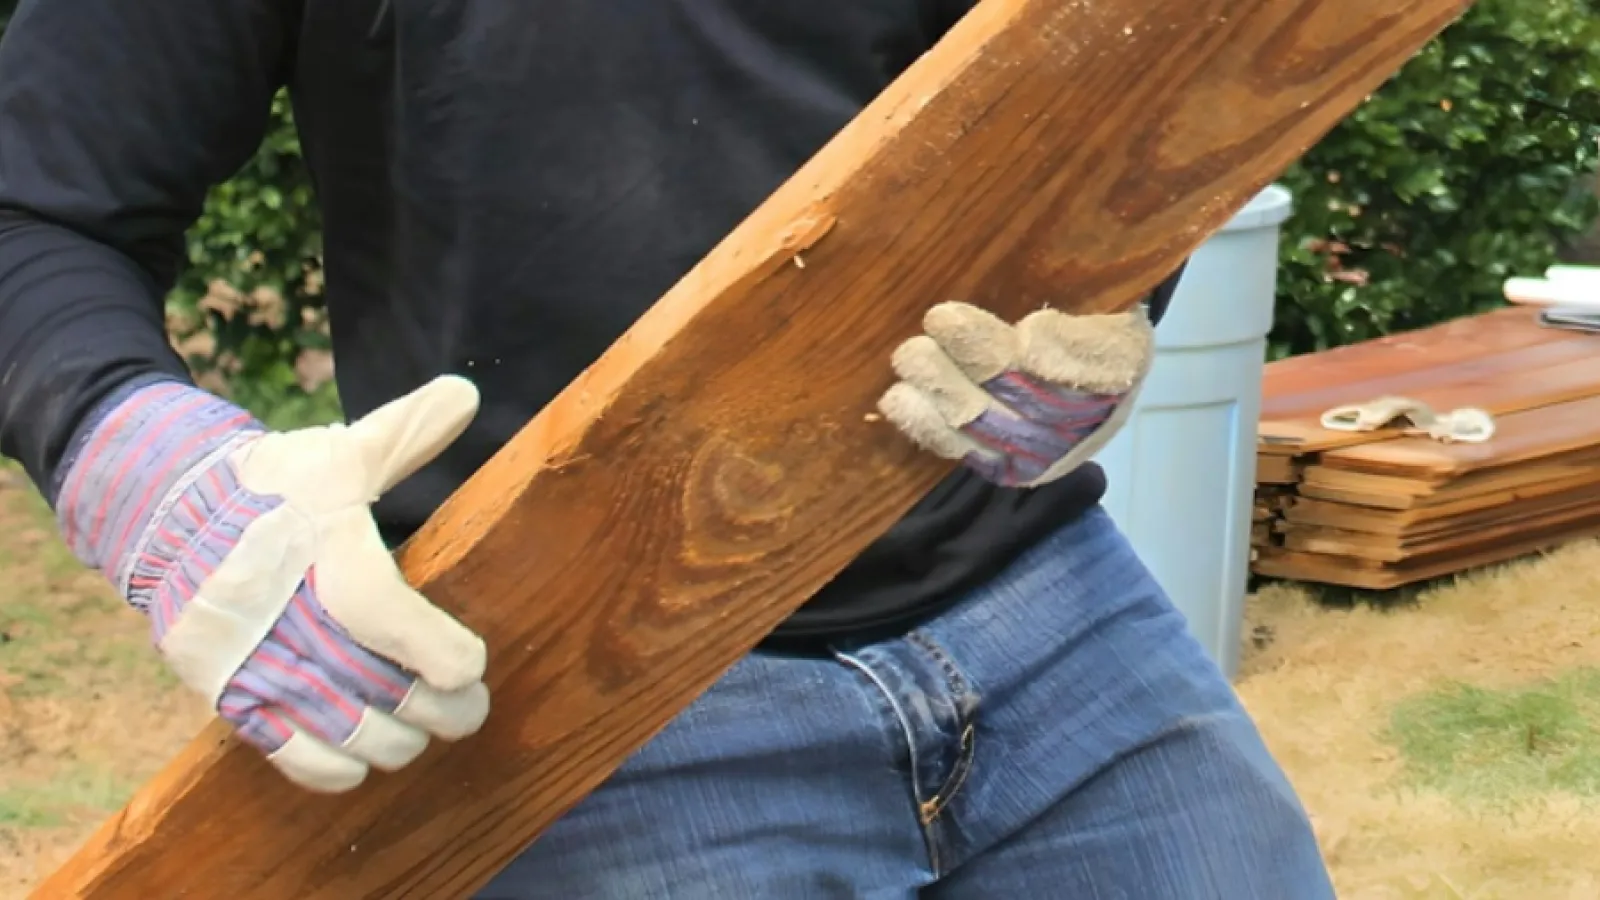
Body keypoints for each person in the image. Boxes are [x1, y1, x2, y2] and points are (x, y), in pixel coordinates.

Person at [0, 1, 1337, 896]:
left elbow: (1095, 85)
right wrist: (158, 476)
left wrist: (1102, 304)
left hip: (1040, 608)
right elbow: (30, 213)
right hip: (583, 676)